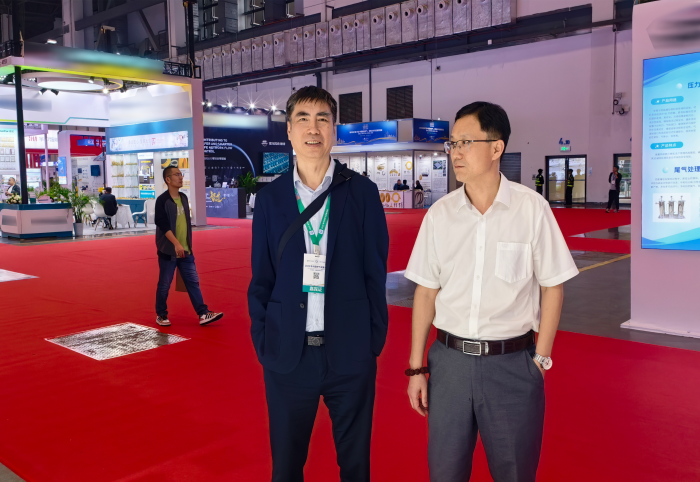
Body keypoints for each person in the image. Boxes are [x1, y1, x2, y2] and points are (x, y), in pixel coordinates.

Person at [405, 101, 578, 482]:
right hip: (449, 365)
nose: (456, 152)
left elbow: (553, 286)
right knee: (445, 472)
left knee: (514, 472)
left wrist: (541, 360)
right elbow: (425, 293)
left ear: (497, 147)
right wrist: (416, 368)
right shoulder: (440, 215)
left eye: (466, 142)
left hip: (512, 366)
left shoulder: (531, 209)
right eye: (453, 143)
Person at [248, 86, 389, 482]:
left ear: (334, 129)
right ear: (289, 131)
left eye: (322, 119)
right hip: (288, 356)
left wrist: (372, 342)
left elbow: (375, 272)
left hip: (350, 353)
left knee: (356, 466)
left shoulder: (361, 193)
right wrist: (264, 340)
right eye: (303, 119)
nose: (313, 129)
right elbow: (262, 277)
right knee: (286, 467)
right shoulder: (271, 198)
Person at [154, 166, 223, 327]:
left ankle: (203, 313)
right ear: (168, 179)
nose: (181, 177)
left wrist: (185, 245)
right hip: (168, 251)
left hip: (186, 251)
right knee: (164, 284)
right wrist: (176, 244)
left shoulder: (184, 198)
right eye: (177, 174)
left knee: (193, 282)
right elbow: (162, 224)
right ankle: (161, 314)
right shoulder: (162, 200)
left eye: (181, 174)